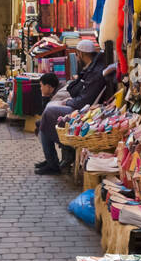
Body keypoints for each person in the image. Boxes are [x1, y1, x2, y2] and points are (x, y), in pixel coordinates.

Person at [36, 39, 110, 175]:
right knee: (43, 120)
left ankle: (54, 161)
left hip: (83, 109)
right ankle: (52, 160)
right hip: (80, 105)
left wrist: (68, 102)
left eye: (77, 55)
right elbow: (79, 92)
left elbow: (84, 100)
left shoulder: (94, 72)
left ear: (80, 54)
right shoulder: (90, 69)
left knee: (47, 113)